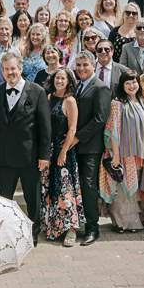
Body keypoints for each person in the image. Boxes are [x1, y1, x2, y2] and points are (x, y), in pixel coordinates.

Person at [0, 53, 52, 245]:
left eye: (13, 68)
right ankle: (5, 233)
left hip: (30, 157)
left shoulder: (36, 91)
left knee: (32, 199)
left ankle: (32, 234)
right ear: (2, 71)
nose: (10, 72)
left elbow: (45, 127)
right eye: (6, 69)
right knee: (4, 199)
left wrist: (44, 155)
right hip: (5, 157)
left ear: (20, 68)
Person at [99, 70, 144, 233]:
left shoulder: (142, 101)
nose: (131, 86)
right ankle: (122, 223)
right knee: (122, 189)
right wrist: (116, 155)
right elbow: (113, 131)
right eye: (127, 83)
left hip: (139, 154)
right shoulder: (118, 103)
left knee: (133, 189)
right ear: (122, 86)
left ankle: (132, 222)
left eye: (134, 82)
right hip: (123, 154)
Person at [72, 50, 112, 246]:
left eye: (85, 65)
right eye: (78, 65)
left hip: (90, 147)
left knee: (88, 187)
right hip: (74, 146)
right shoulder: (78, 86)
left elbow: (100, 119)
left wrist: (78, 137)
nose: (81, 68)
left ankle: (92, 229)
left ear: (93, 65)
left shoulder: (100, 88)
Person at [40, 66, 83, 246]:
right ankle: (53, 226)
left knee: (65, 189)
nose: (59, 81)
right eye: (57, 78)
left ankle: (70, 229)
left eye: (63, 79)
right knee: (50, 188)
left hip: (63, 151)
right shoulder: (48, 98)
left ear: (68, 82)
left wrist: (64, 151)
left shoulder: (70, 101)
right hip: (48, 152)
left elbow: (72, 128)